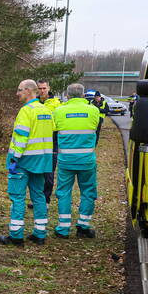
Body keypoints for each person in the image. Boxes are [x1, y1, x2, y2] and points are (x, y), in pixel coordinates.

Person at [0, 79, 53, 247]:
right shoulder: (47, 110)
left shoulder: (25, 111)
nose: (17, 93)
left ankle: (16, 236)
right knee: (39, 197)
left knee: (18, 198)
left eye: (20, 90)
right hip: (42, 162)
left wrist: (14, 159)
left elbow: (21, 138)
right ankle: (40, 234)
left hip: (23, 162)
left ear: (29, 91)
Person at [52, 83, 101, 239]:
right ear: (83, 95)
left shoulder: (59, 111)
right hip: (87, 160)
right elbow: (96, 131)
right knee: (88, 192)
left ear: (67, 95)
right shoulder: (94, 110)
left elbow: (54, 134)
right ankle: (83, 226)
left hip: (66, 160)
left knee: (64, 192)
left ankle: (63, 228)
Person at [37, 80, 61, 204]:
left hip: (52, 140)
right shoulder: (34, 103)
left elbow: (60, 123)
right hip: (36, 141)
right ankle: (38, 198)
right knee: (37, 172)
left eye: (44, 88)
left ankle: (45, 200)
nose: (42, 91)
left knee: (49, 172)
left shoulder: (56, 104)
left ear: (49, 88)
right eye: (40, 88)